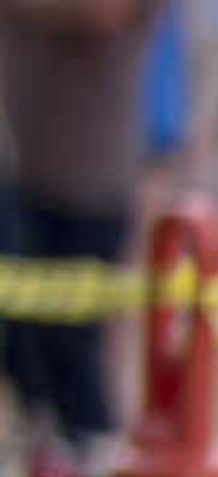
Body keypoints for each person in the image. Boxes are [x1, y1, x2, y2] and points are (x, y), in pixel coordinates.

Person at [0, 0, 170, 450]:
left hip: (88, 186)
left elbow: (100, 13)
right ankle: (59, 470)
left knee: (73, 359)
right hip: (29, 175)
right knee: (27, 351)